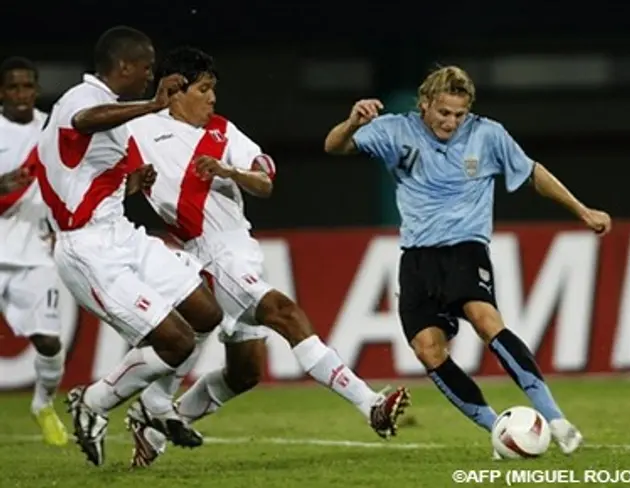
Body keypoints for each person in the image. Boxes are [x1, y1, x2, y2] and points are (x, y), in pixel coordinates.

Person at [123, 46, 411, 467]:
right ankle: (369, 404)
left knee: (246, 373)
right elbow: (107, 172)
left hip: (242, 250)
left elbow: (265, 181)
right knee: (285, 312)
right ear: (176, 90)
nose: (212, 98)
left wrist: (230, 172)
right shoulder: (139, 130)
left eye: (213, 90)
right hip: (210, 253)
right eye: (203, 89)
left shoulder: (223, 131)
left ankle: (153, 421)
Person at [323, 65, 612, 457]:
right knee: (428, 350)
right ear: (424, 104)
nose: (452, 122)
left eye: (459, 114)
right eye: (444, 113)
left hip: (466, 247)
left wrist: (581, 211)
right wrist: (352, 122)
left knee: (484, 318)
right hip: (417, 257)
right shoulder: (395, 130)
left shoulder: (487, 134)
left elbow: (532, 173)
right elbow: (334, 146)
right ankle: (502, 431)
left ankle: (556, 420)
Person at [34, 27, 224, 467]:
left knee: (205, 313)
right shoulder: (80, 99)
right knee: (175, 342)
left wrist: (127, 184)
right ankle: (94, 402)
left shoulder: (113, 111)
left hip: (119, 233)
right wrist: (155, 105)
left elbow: (82, 168)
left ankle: (153, 404)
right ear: (123, 66)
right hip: (88, 249)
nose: (150, 74)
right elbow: (83, 122)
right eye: (146, 65)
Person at [0, 56, 67, 446]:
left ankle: (43, 405)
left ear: (37, 90)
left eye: (28, 87)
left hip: (35, 250)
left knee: (48, 341)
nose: (21, 94)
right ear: (2, 92)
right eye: (13, 87)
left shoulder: (50, 129)